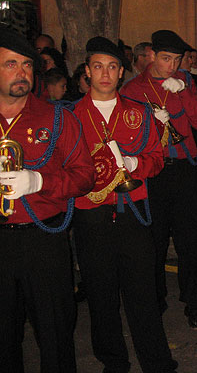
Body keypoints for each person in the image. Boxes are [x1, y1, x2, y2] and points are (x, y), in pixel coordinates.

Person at [72, 37, 177, 373]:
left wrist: (133, 164)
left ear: (121, 73)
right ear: (87, 72)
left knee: (143, 296)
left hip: (132, 214)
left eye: (112, 67)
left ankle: (156, 362)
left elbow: (157, 160)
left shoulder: (137, 113)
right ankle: (113, 362)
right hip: (91, 217)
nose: (105, 73)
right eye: (98, 66)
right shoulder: (70, 117)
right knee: (101, 298)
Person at [0, 26, 95, 372]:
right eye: (11, 64)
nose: (22, 73)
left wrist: (38, 179)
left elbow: (85, 175)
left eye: (26, 65)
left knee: (55, 333)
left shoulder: (56, 116)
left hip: (44, 238)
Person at [120, 30, 197, 329]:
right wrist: (150, 122)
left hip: (185, 168)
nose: (172, 65)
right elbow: (126, 138)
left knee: (191, 242)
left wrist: (184, 92)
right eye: (165, 58)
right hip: (152, 172)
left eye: (176, 59)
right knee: (153, 243)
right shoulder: (132, 90)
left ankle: (193, 302)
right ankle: (155, 300)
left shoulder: (185, 82)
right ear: (150, 56)